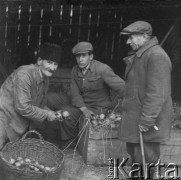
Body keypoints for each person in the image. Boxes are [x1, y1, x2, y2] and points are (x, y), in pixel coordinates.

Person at [119, 21, 173, 179]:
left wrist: (147, 120)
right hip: (136, 116)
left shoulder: (156, 56)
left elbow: (158, 93)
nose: (128, 41)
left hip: (147, 120)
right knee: (136, 155)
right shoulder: (142, 54)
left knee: (147, 158)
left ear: (144, 37)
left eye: (131, 37)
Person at [0, 43, 62, 150]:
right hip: (4, 121)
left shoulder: (45, 79)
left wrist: (54, 114)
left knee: (11, 161)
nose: (52, 67)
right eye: (49, 62)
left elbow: (41, 105)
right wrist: (47, 114)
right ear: (39, 61)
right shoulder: (24, 75)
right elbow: (23, 107)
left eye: (55, 64)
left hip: (18, 126)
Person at [71, 41, 125, 118]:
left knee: (86, 122)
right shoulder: (74, 70)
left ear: (91, 57)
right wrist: (84, 109)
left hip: (100, 109)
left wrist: (114, 107)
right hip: (82, 106)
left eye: (83, 56)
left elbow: (123, 88)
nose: (80, 60)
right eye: (77, 56)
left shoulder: (103, 69)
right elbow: (74, 93)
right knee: (67, 116)